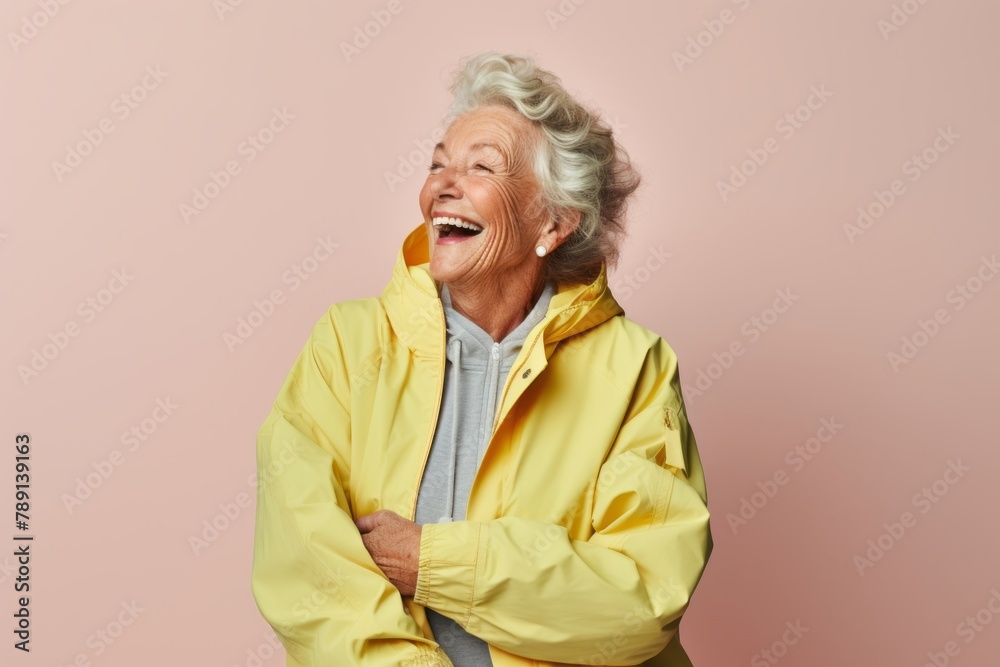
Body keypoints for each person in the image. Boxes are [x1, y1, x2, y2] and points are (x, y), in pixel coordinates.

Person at [251, 51, 713, 667]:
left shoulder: (633, 367)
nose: (441, 185)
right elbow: (308, 573)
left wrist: (434, 564)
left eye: (480, 168)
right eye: (437, 164)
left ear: (553, 221)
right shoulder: (346, 344)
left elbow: (639, 598)